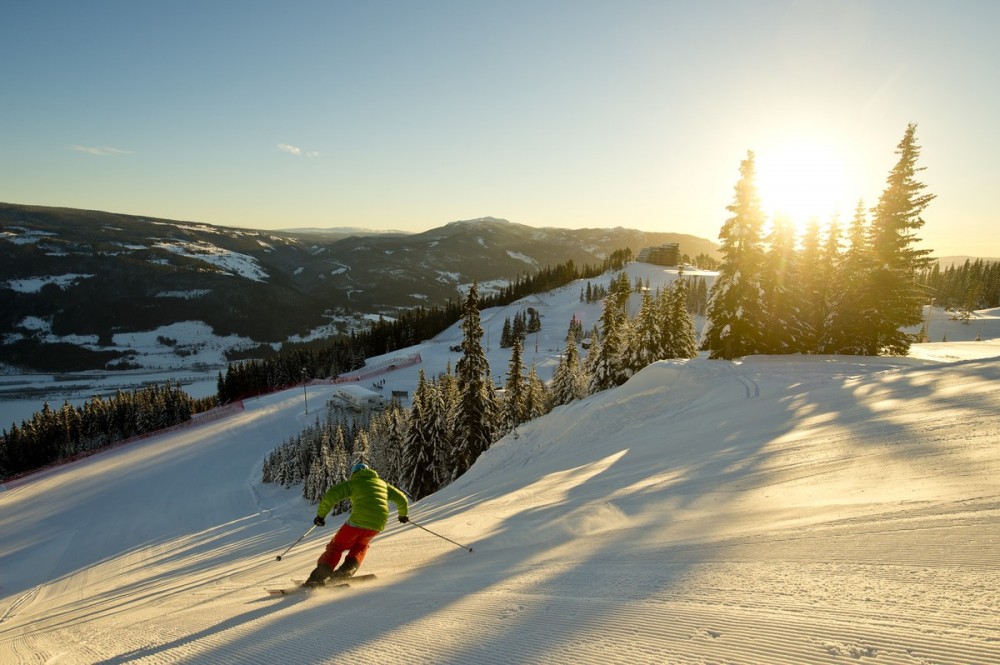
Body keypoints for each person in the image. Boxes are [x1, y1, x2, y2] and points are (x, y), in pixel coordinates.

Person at [302, 461, 409, 588]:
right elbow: (402, 498)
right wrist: (403, 515)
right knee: (360, 546)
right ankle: (344, 574)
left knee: (336, 547)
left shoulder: (353, 483)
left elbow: (332, 495)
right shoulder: (383, 484)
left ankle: (318, 578)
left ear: (354, 473)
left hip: (357, 522)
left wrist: (320, 516)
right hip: (377, 524)